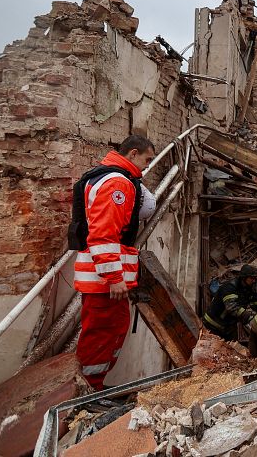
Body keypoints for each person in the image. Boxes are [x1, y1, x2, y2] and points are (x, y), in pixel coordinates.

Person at [72, 134, 155, 390]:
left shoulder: (108, 177)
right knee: (102, 334)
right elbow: (104, 234)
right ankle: (89, 390)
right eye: (147, 159)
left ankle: (94, 387)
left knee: (111, 330)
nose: (148, 165)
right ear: (133, 154)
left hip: (103, 280)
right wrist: (114, 278)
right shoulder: (117, 183)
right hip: (104, 282)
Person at [203, 264, 257, 341]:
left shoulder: (248, 289)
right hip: (213, 325)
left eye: (255, 278)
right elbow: (232, 308)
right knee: (212, 349)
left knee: (230, 349)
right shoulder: (230, 287)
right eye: (252, 278)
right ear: (244, 277)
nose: (254, 281)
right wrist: (249, 316)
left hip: (228, 326)